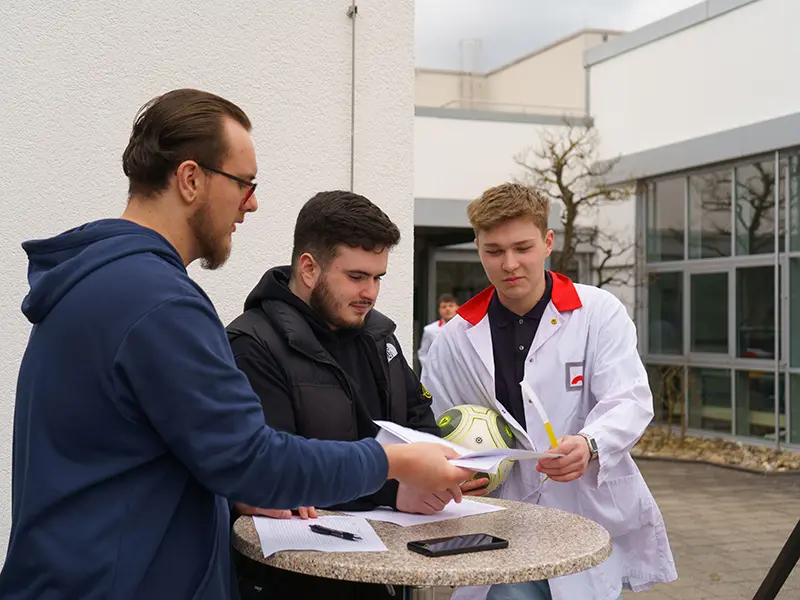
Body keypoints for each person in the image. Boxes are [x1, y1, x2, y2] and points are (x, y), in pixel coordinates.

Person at [0, 88, 475, 600]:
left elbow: (144, 452)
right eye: (244, 183)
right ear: (189, 179)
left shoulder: (103, 280)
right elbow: (255, 459)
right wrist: (394, 462)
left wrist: (232, 494)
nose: (252, 203)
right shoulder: (159, 302)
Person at [226, 190, 489, 599]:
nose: (371, 292)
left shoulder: (380, 337)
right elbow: (277, 473)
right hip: (294, 583)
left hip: (388, 573)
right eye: (357, 276)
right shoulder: (252, 344)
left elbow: (417, 422)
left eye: (378, 277)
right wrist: (397, 490)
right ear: (309, 268)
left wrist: (448, 472)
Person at [421, 183, 677, 600]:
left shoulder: (598, 313)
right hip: (498, 514)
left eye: (522, 247)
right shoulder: (455, 338)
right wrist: (456, 472)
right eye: (493, 251)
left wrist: (591, 443)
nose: (509, 264)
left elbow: (629, 399)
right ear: (477, 247)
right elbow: (436, 426)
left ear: (548, 242)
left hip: (582, 506)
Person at [417, 293, 459, 371]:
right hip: (439, 372)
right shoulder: (430, 330)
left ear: (457, 307)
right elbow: (423, 354)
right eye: (444, 307)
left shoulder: (465, 328)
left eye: (451, 306)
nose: (447, 309)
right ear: (439, 310)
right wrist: (429, 370)